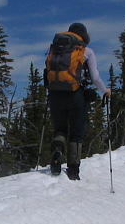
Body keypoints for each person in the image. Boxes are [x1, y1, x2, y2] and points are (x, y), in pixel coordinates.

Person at [45, 22, 111, 180]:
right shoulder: (86, 51)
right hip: (75, 95)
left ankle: (57, 150)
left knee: (60, 129)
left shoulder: (55, 49)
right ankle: (73, 170)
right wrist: (106, 91)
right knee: (76, 132)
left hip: (55, 94)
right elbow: (95, 78)